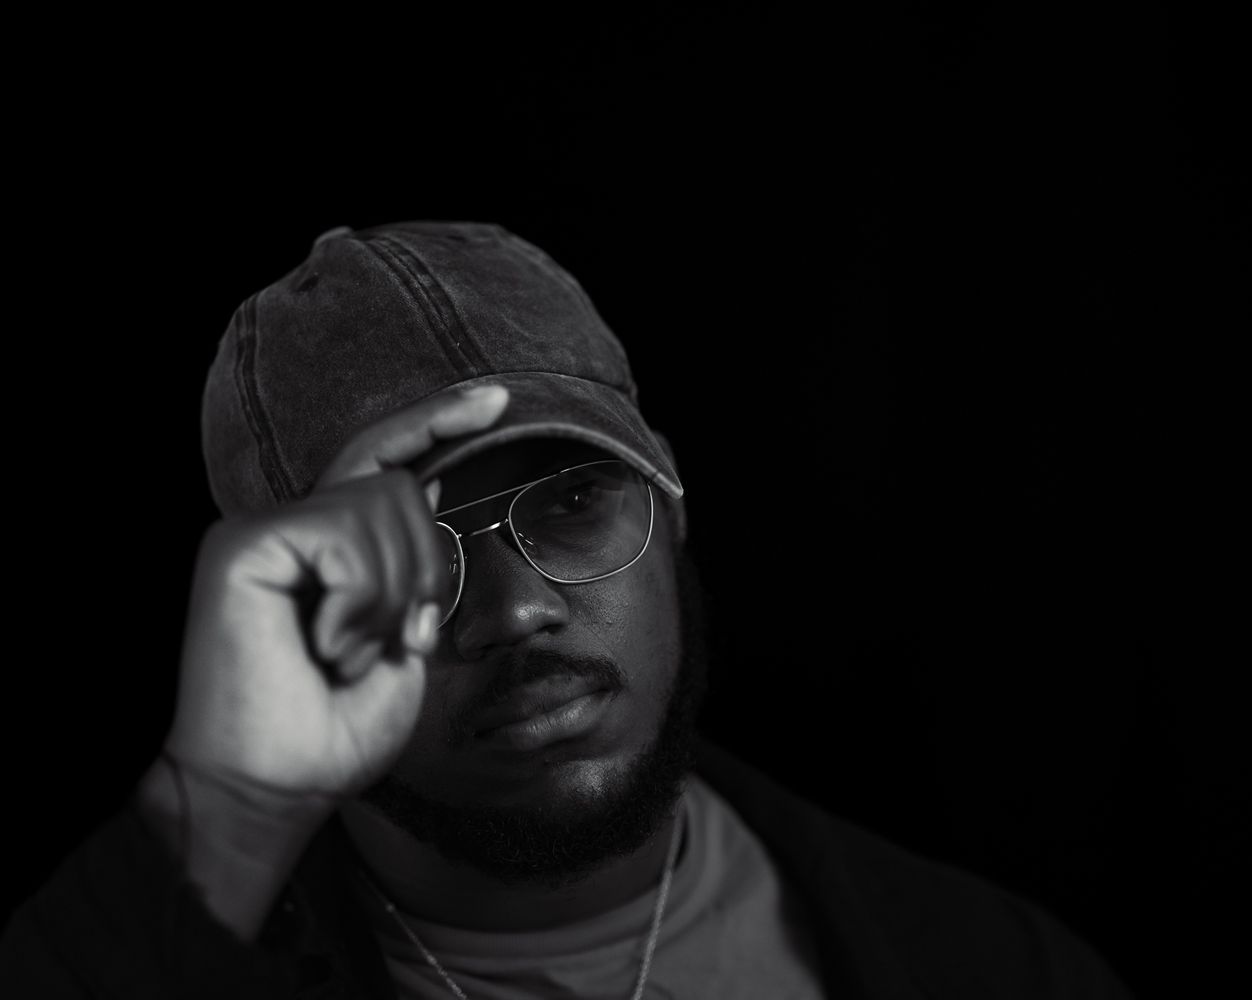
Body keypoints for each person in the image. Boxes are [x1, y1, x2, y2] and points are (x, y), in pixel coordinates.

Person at [1, 220, 1132, 998]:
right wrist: (229, 807)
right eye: (407, 553)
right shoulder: (138, 961)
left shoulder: (994, 967)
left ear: (671, 500)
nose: (514, 611)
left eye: (575, 500)